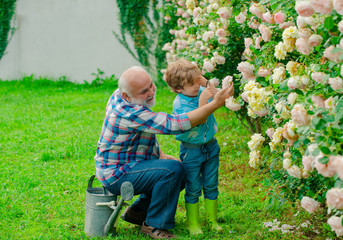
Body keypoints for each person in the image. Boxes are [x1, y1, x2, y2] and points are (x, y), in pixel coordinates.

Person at [94, 66, 233, 239]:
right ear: (126, 96)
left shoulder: (123, 95)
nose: (152, 91)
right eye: (145, 91)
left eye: (151, 84)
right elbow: (174, 124)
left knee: (181, 171)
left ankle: (137, 212)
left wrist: (160, 155)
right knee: (171, 170)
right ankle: (154, 225)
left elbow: (141, 135)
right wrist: (214, 104)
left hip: (129, 165)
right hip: (117, 175)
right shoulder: (128, 112)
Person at [165, 59, 223, 235]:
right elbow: (199, 119)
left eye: (197, 81)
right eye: (191, 84)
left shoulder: (200, 90)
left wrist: (205, 82)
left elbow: (219, 96)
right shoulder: (180, 104)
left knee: (212, 184)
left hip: (210, 146)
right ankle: (194, 224)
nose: (196, 87)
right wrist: (203, 102)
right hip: (192, 151)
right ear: (178, 88)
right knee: (193, 187)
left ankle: (213, 220)